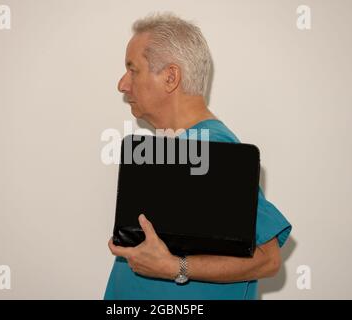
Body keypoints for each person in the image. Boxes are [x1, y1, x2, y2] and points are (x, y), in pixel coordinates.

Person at [104, 13, 292, 300]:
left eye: (133, 70)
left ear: (170, 77)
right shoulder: (182, 151)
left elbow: (268, 258)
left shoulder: (211, 149)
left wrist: (174, 267)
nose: (122, 84)